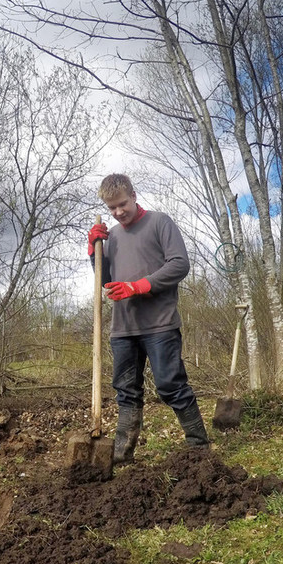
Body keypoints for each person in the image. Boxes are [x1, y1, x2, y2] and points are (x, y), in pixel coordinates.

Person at [87, 173, 209, 463]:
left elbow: (180, 264)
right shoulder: (112, 236)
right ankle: (121, 453)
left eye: (122, 205)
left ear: (133, 195)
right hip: (123, 329)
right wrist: (94, 252)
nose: (117, 213)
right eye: (111, 208)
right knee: (126, 391)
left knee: (170, 385)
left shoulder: (159, 222)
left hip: (160, 324)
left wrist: (138, 286)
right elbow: (104, 280)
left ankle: (199, 448)